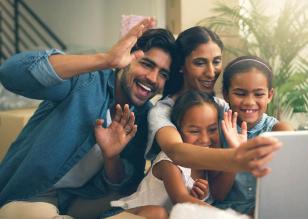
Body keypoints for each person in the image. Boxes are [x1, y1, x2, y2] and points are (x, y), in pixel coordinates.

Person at [0, 17, 177, 219]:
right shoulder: (87, 81)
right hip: (31, 196)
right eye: (147, 64)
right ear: (127, 58)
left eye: (163, 74)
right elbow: (10, 73)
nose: (153, 79)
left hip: (80, 199)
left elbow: (124, 183)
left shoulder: (144, 114)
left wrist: (112, 157)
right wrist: (105, 60)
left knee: (156, 213)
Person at [146, 26, 282, 179]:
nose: (211, 73)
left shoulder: (221, 106)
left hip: (210, 195)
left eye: (216, 61)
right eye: (200, 63)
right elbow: (176, 151)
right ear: (181, 66)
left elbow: (258, 125)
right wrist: (237, 158)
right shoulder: (162, 111)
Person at [212, 55, 308, 215]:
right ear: (226, 94)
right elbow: (218, 194)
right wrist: (234, 153)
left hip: (271, 212)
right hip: (227, 214)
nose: (249, 102)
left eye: (258, 94)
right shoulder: (216, 130)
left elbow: (300, 179)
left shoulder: (280, 131)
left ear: (270, 95)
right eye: (240, 93)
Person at [104, 90, 246, 219]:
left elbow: (219, 194)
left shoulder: (208, 162)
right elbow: (181, 200)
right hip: (122, 215)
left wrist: (236, 151)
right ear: (178, 130)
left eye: (212, 129)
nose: (205, 139)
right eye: (195, 131)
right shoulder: (169, 160)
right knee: (157, 213)